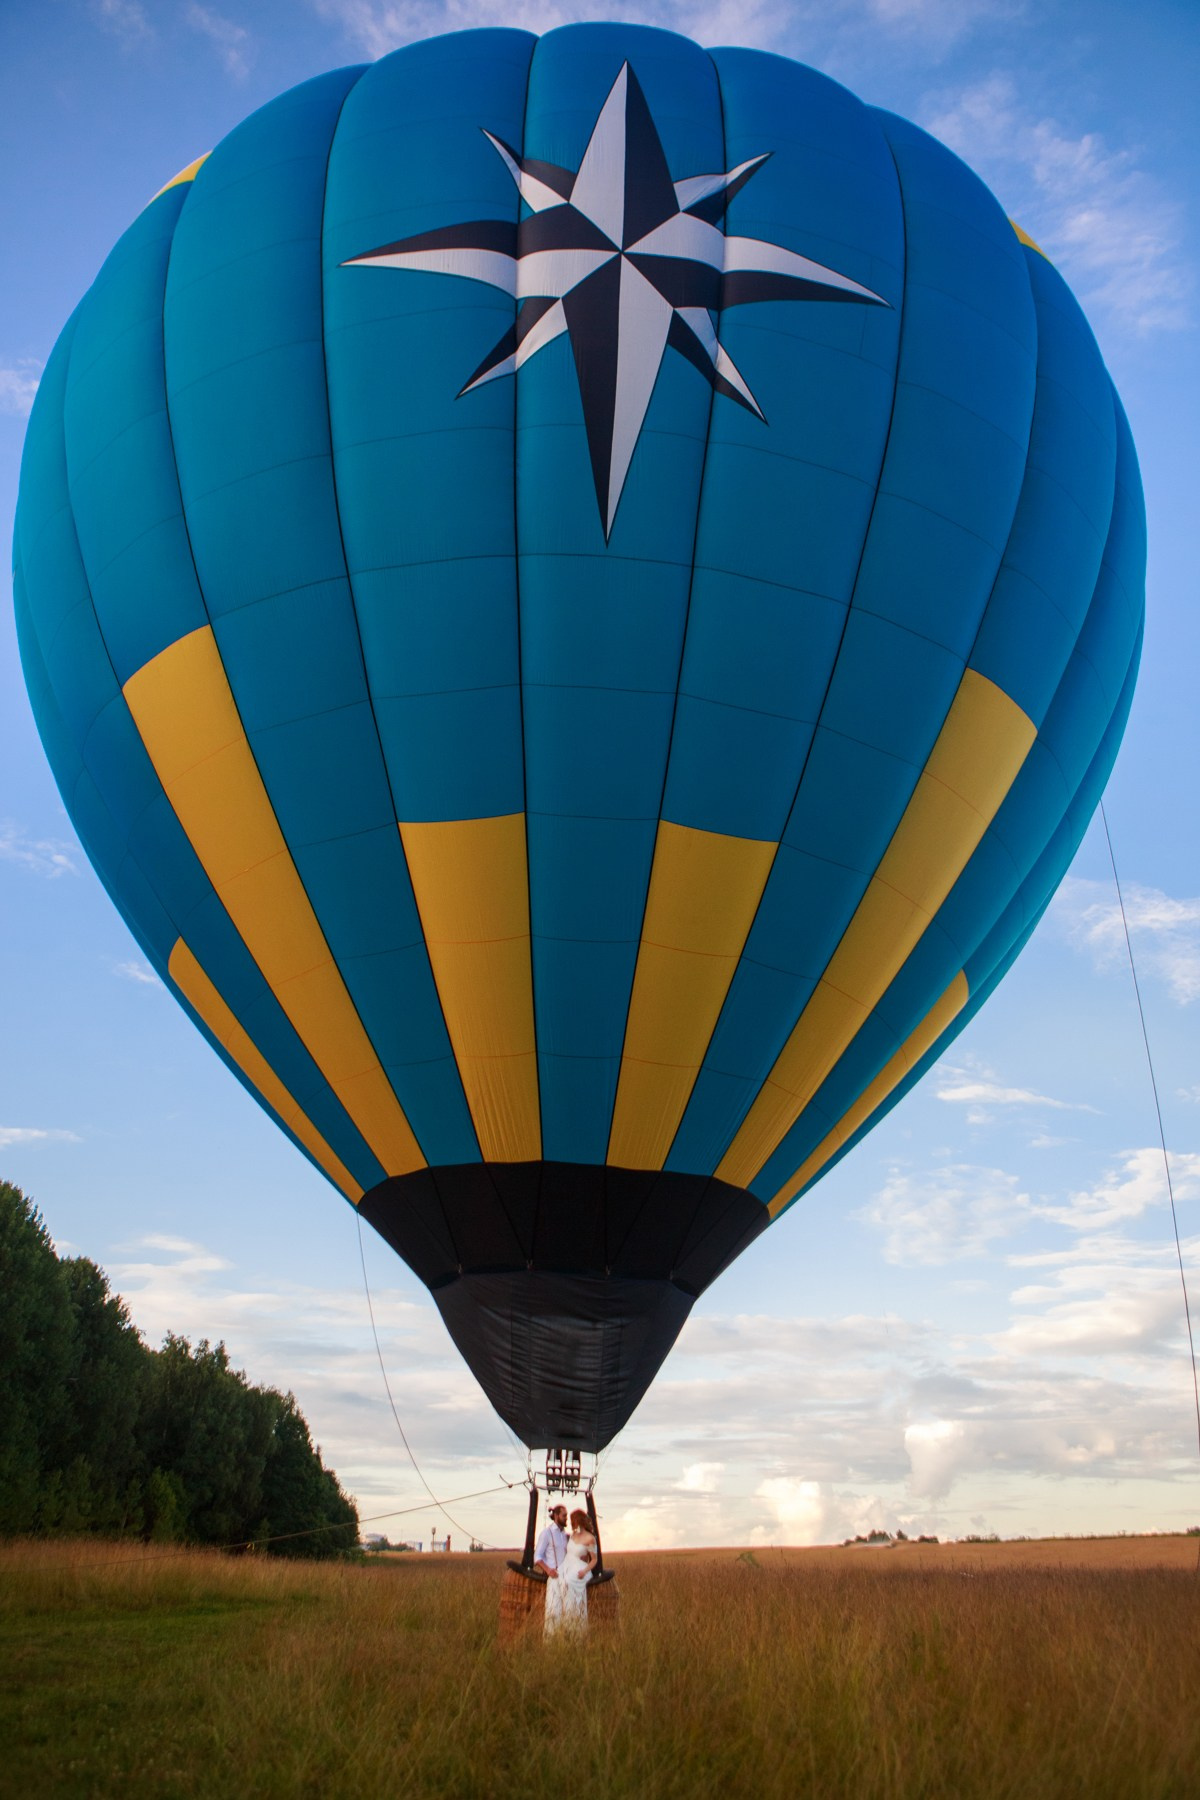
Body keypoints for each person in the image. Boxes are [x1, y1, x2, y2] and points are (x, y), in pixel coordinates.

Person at [554, 1508, 598, 1635]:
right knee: (557, 1581)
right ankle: (559, 1620)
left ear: (579, 1521)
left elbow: (594, 1560)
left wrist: (584, 1571)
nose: (571, 1523)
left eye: (573, 1520)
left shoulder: (590, 1538)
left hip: (580, 1567)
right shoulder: (573, 1535)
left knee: (569, 1581)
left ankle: (573, 1621)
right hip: (567, 1563)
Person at [534, 1502, 569, 1636]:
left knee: (567, 1612)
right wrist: (548, 1570)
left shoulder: (564, 1534)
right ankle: (550, 1645)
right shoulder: (547, 1533)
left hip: (566, 1579)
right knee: (553, 1612)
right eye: (564, 1515)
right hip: (554, 1578)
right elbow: (537, 1557)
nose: (567, 1518)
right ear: (556, 1516)